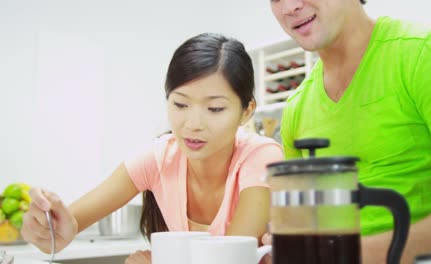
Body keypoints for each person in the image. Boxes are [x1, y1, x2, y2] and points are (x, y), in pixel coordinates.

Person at [20, 33, 283, 264]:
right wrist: (49, 226)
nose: (193, 124)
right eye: (180, 105)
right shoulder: (158, 158)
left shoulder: (261, 157)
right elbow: (69, 225)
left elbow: (228, 260)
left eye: (215, 109)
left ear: (246, 111)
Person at [262, 0, 431, 263]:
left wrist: (354, 253)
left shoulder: (430, 51)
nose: (289, 7)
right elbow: (304, 226)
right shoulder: (296, 108)